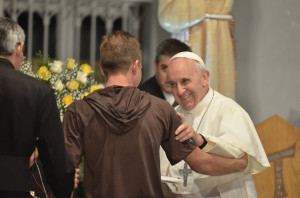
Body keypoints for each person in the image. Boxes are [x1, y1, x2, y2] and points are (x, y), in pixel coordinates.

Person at [62, 31, 249, 198]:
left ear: (102, 69)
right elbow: (200, 163)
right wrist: (240, 164)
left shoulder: (78, 111)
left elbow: (64, 175)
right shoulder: (159, 109)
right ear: (136, 66)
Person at [161, 51, 271, 197]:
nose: (179, 91)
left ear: (204, 78)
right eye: (173, 84)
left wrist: (200, 139)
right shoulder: (172, 115)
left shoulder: (229, 110)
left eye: (185, 81)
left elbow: (242, 159)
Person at [0, 17, 75, 198]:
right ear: (18, 47)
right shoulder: (37, 92)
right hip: (15, 189)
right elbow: (54, 155)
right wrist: (64, 189)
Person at [139, 38, 191, 107]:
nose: (170, 77)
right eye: (165, 68)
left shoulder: (194, 94)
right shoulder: (140, 98)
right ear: (155, 67)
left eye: (176, 70)